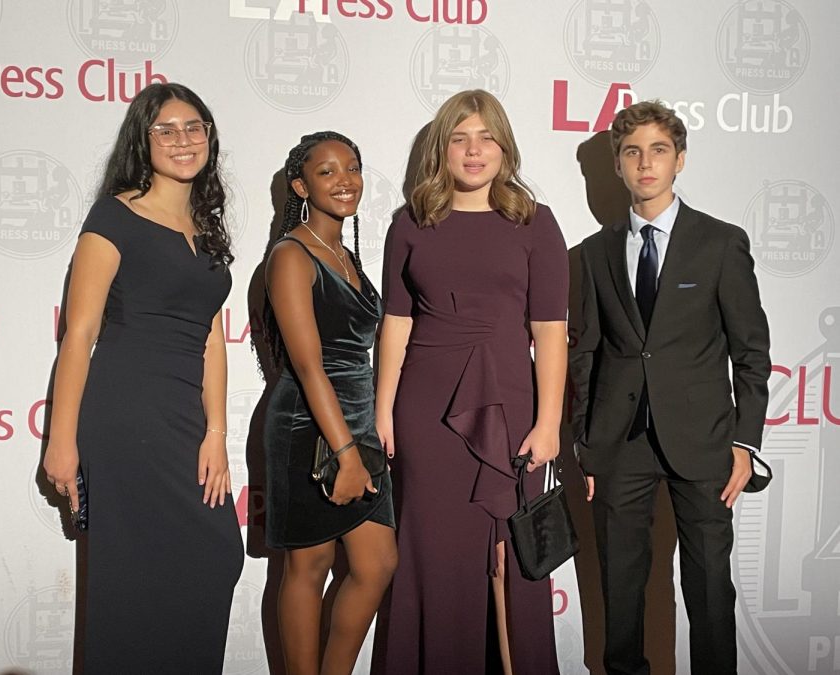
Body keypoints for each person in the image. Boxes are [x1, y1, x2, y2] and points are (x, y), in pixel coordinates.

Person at [42, 82, 243, 673]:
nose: (183, 139)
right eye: (166, 129)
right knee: (131, 582)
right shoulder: (115, 215)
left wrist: (216, 434)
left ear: (209, 136)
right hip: (126, 413)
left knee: (215, 558)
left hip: (185, 421)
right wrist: (61, 441)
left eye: (194, 127)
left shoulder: (207, 229)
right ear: (143, 139)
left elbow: (211, 337)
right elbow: (79, 334)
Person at [570, 100, 771, 674]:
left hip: (705, 443)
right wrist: (586, 445)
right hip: (618, 444)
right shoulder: (591, 254)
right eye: (632, 152)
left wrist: (746, 442)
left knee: (710, 590)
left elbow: (751, 352)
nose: (645, 163)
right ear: (617, 165)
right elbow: (585, 357)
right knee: (621, 591)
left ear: (679, 159)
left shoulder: (719, 243)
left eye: (658, 150)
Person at [375, 90, 568, 674]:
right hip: (425, 412)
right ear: (442, 149)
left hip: (511, 410)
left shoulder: (535, 223)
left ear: (504, 147)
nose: (473, 150)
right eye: (460, 138)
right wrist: (383, 410)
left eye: (486, 137)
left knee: (512, 561)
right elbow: (396, 324)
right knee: (431, 555)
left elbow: (552, 329)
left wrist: (550, 420)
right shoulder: (410, 223)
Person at [263, 131, 398, 675]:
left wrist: (361, 440)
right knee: (309, 564)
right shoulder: (292, 255)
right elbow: (309, 365)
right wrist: (343, 453)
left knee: (377, 563)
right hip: (308, 427)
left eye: (353, 168)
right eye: (327, 172)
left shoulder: (344, 254)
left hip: (358, 425)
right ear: (301, 185)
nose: (345, 180)